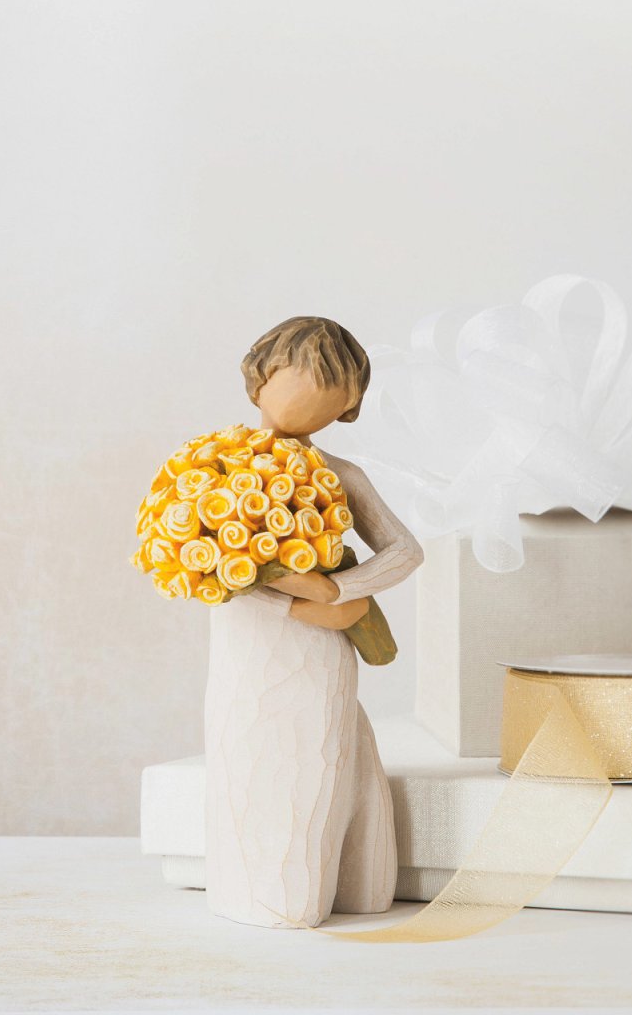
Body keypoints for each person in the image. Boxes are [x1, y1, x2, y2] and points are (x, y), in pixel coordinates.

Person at [204, 316, 425, 928]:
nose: (310, 403)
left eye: (332, 394)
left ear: (348, 405)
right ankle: (267, 895)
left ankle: (338, 885)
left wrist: (338, 590)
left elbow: (405, 551)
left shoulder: (342, 475)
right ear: (260, 376)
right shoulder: (216, 468)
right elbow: (210, 568)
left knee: (321, 758)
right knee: (255, 761)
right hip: (251, 650)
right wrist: (295, 603)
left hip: (320, 655)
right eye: (298, 380)